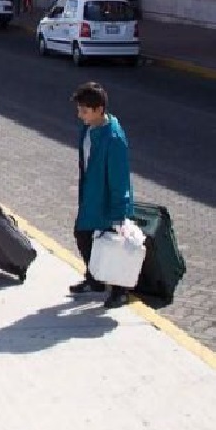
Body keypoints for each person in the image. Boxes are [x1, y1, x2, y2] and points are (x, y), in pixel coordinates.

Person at [69, 82, 134, 310]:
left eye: (84, 111)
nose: (79, 115)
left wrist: (119, 213)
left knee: (113, 245)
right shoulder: (89, 128)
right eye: (79, 110)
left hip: (108, 201)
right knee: (84, 235)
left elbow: (120, 179)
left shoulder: (113, 138)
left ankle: (120, 291)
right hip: (91, 195)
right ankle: (95, 279)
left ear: (99, 110)